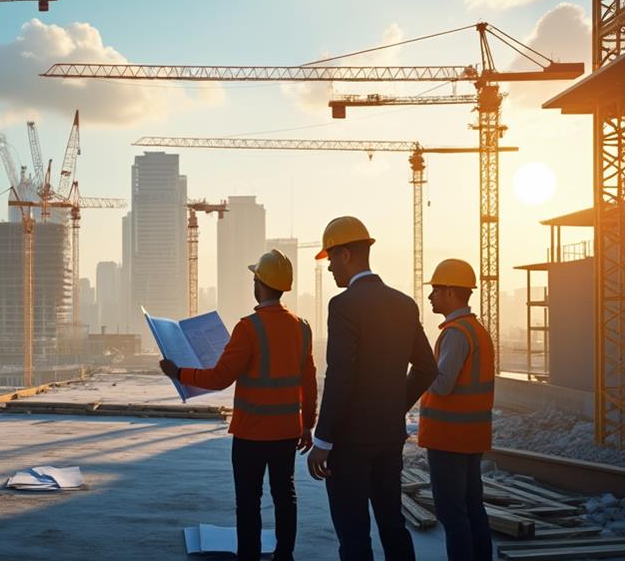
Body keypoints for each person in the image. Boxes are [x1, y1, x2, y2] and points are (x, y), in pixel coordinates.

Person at [160, 248, 317, 561]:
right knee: (285, 496)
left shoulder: (248, 328)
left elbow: (220, 378)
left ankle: (249, 556)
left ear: (258, 284)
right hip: (286, 432)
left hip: (251, 435)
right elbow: (308, 380)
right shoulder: (302, 327)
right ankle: (284, 556)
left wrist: (178, 372)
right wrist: (307, 424)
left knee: (249, 502)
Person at [306, 216, 438, 561]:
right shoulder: (404, 304)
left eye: (332, 258)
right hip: (388, 437)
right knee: (392, 524)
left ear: (346, 254)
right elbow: (427, 367)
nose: (331, 268)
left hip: (349, 443)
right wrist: (395, 405)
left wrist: (322, 441)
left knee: (354, 535)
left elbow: (340, 376)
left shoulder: (345, 305)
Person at [421, 259, 495, 561]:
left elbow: (442, 384)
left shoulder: (456, 333)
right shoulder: (476, 330)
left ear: (451, 292)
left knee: (452, 514)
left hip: (448, 438)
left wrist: (419, 366)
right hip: (471, 436)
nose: (431, 296)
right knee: (472, 508)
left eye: (436, 290)